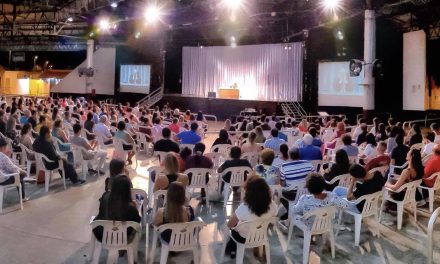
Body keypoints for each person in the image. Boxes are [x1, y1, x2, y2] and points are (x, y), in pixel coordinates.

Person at [224, 176, 277, 258]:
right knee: (255, 224)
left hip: (243, 238)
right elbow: (272, 219)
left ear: (249, 193)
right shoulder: (272, 205)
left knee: (234, 227)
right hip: (261, 235)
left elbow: (230, 225)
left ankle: (232, 250)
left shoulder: (244, 207)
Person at [93, 175, 141, 242]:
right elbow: (137, 222)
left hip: (101, 235)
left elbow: (101, 212)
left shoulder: (105, 196)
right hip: (122, 238)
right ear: (128, 190)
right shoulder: (130, 207)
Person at [279, 147, 314, 220]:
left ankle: (290, 211)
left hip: (292, 195)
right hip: (307, 192)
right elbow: (314, 177)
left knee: (278, 193)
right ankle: (294, 210)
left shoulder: (284, 166)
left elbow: (282, 183)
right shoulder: (308, 163)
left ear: (289, 155)